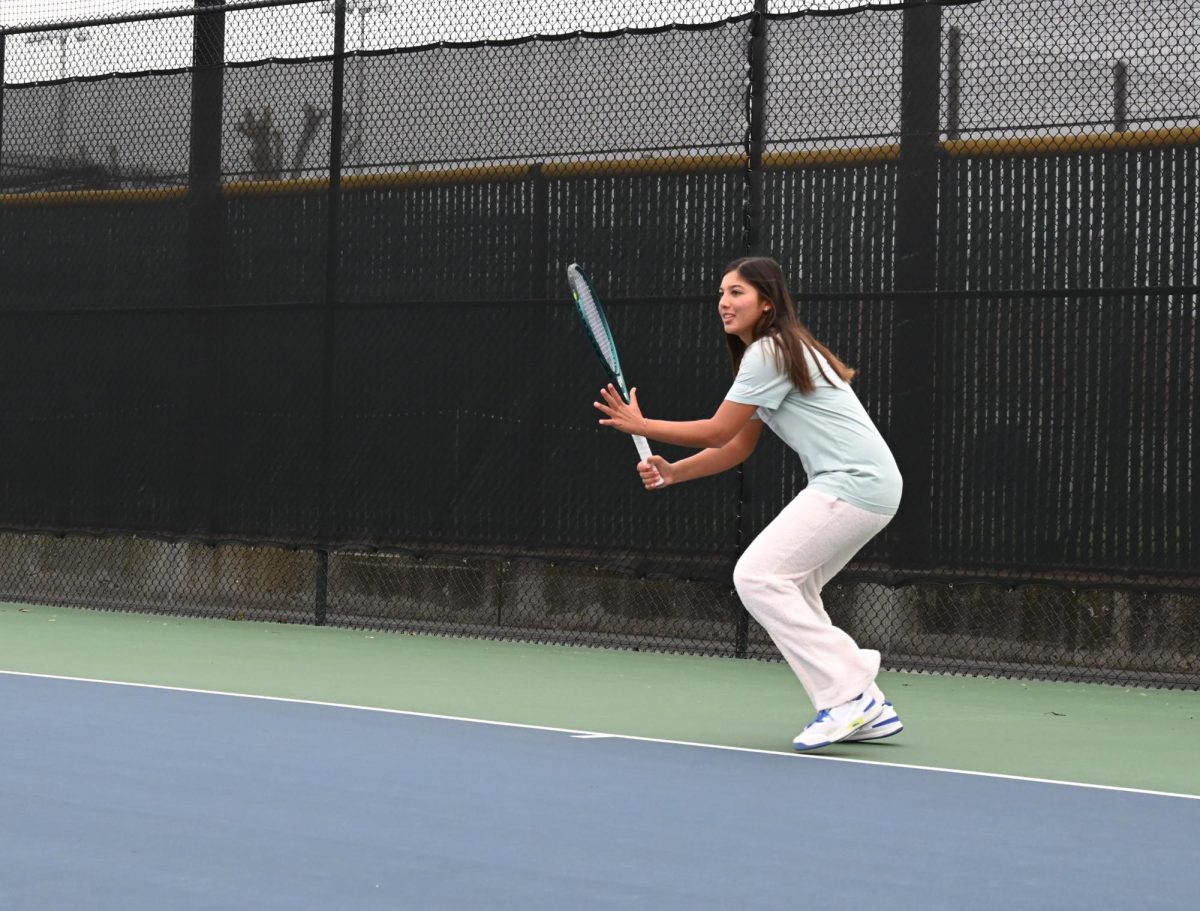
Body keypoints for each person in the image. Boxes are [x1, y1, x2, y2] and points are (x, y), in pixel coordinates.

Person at [593, 256, 904, 751]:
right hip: (870, 487)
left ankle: (850, 696)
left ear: (766, 302)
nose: (724, 302)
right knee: (792, 586)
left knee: (756, 576)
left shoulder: (771, 353)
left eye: (737, 292)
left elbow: (718, 428)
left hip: (852, 483)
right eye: (721, 292)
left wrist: (642, 425)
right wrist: (674, 471)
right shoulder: (775, 355)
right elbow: (735, 446)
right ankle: (864, 702)